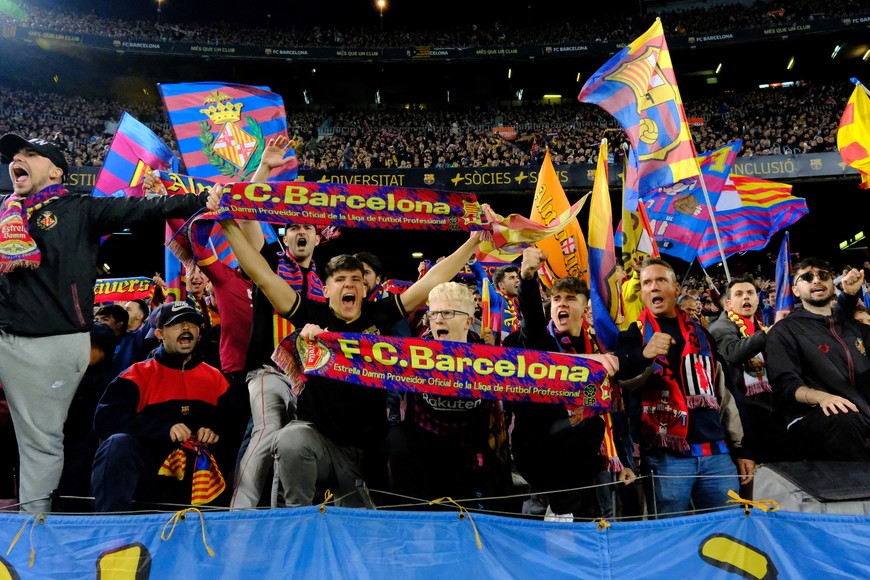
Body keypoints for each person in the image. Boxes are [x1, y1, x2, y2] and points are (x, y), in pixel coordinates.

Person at [211, 188, 485, 507]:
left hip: (366, 454)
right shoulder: (311, 315)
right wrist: (227, 223)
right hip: (323, 445)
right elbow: (261, 274)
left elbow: (429, 282)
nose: (349, 285)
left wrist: (473, 242)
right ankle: (297, 519)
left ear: (364, 287)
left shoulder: (378, 315)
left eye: (356, 279)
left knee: (367, 530)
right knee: (290, 439)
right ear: (326, 290)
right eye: (340, 280)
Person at [0, 134, 207, 513]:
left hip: (51, 340)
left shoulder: (80, 209)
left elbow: (144, 208)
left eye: (30, 153)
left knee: (39, 442)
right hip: (4, 332)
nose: (18, 158)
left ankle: (34, 527)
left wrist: (200, 199)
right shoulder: (5, 212)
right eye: (15, 154)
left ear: (55, 171)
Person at [617, 258, 752, 518]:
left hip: (717, 454)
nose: (653, 287)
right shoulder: (632, 336)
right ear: (642, 292)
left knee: (726, 536)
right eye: (647, 283)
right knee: (670, 539)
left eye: (661, 280)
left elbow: (725, 394)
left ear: (676, 288)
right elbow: (622, 382)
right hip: (665, 458)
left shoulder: (702, 334)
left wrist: (742, 448)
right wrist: (644, 356)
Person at [508, 247, 625, 520]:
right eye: (556, 298)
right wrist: (527, 278)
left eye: (570, 299)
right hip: (538, 450)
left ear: (585, 308)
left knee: (591, 421)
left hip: (579, 461)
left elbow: (607, 411)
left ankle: (566, 506)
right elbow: (533, 324)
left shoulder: (600, 348)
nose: (561, 303)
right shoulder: (538, 342)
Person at [91, 302, 231, 512]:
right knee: (118, 444)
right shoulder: (136, 374)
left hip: (201, 483)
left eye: (191, 323)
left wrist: (215, 430)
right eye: (177, 324)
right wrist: (163, 429)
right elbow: (104, 420)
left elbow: (234, 424)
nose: (186, 328)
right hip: (149, 479)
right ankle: (113, 531)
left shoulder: (216, 378)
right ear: (159, 333)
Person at [386, 282, 510, 506]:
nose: (438, 320)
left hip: (467, 452)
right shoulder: (411, 355)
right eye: (433, 314)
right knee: (398, 438)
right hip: (422, 449)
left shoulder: (491, 361)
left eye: (448, 313)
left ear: (469, 322)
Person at [766, 259, 870, 461]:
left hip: (860, 411)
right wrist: (822, 398)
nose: (816, 280)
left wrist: (849, 296)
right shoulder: (785, 330)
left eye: (823, 275)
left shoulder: (854, 327)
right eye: (807, 277)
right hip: (810, 416)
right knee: (843, 419)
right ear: (795, 290)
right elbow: (785, 385)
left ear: (833, 283)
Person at [708, 276, 774, 463]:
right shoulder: (721, 327)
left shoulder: (759, 327)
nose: (746, 297)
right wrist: (765, 335)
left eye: (750, 293)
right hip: (741, 410)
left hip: (766, 407)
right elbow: (733, 352)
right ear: (728, 303)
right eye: (739, 294)